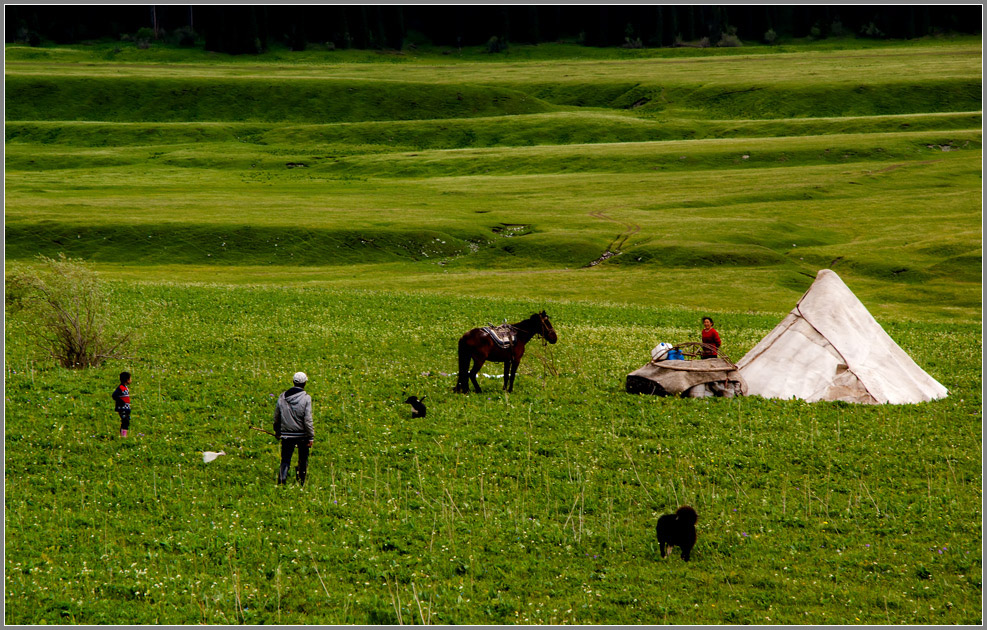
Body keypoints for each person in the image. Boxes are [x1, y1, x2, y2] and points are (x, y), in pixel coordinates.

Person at [273, 371, 314, 486]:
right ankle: (301, 480)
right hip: (302, 435)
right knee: (303, 459)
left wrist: (277, 431)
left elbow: (277, 416)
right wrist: (310, 436)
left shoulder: (282, 397)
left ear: (293, 382)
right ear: (305, 383)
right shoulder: (306, 398)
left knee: (285, 459)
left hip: (286, 434)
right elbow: (307, 419)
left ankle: (282, 479)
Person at [112, 371, 132, 438]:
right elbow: (114, 395)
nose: (131, 380)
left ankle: (123, 434)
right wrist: (121, 402)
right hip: (122, 408)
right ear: (127, 380)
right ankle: (123, 436)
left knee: (126, 421)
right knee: (125, 421)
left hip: (126, 408)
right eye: (130, 379)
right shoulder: (120, 388)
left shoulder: (125, 388)